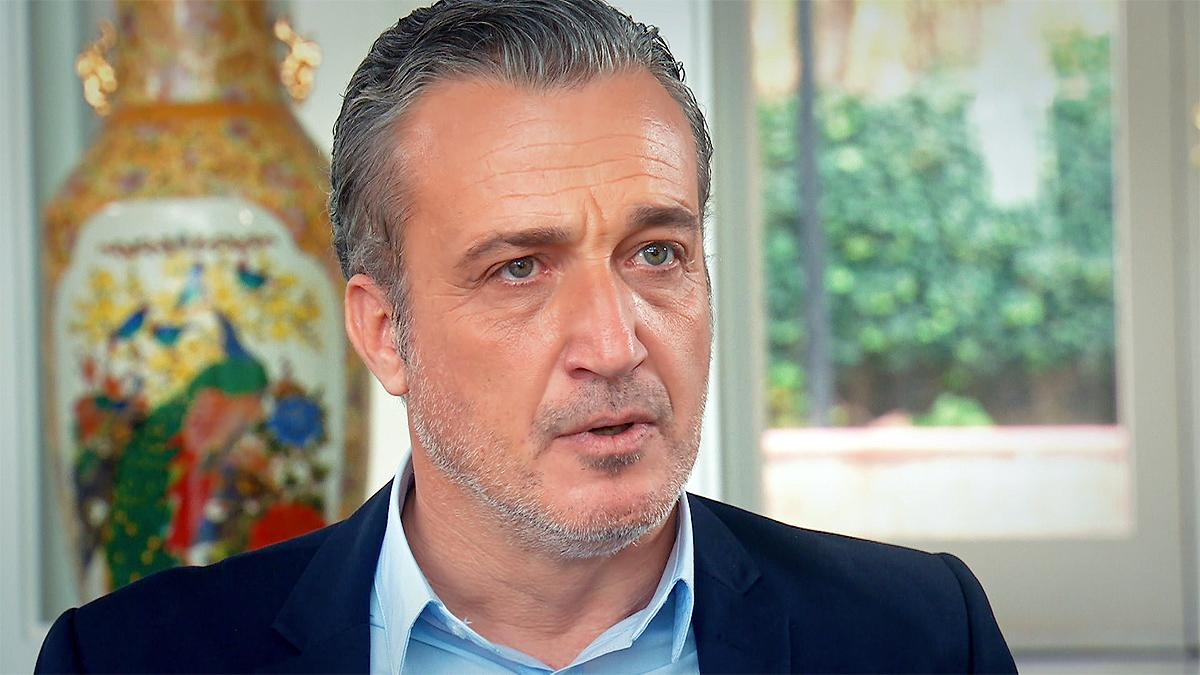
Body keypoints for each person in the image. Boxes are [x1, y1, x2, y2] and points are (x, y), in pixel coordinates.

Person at [36, 0, 1017, 672]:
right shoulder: (126, 659)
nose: (616, 345)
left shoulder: (920, 637)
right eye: (520, 269)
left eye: (658, 253)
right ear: (383, 332)